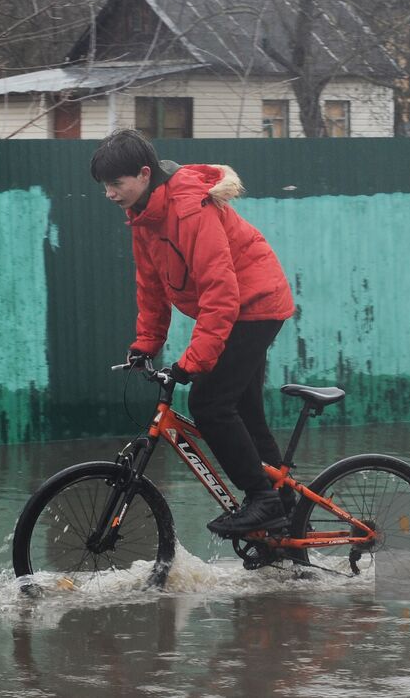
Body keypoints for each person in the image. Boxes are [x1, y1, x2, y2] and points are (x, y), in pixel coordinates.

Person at [91, 128, 297, 537]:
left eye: (117, 184)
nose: (110, 194)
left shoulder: (189, 209)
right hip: (235, 308)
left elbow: (221, 292)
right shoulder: (144, 217)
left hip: (255, 306)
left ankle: (263, 499)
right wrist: (146, 343)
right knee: (245, 414)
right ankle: (286, 525)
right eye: (104, 187)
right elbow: (151, 287)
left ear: (145, 174)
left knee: (211, 404)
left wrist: (193, 363)